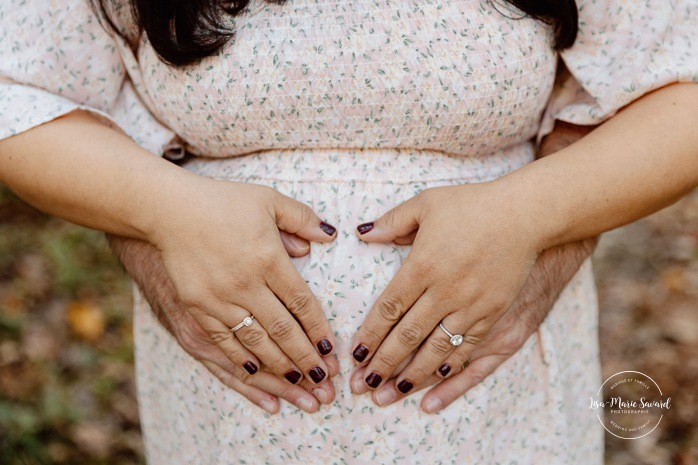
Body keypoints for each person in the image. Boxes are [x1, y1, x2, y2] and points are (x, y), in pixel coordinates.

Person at [0, 0, 696, 464]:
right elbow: (19, 86)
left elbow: (681, 81)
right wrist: (162, 213)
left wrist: (532, 217)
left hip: (496, 414)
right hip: (234, 421)